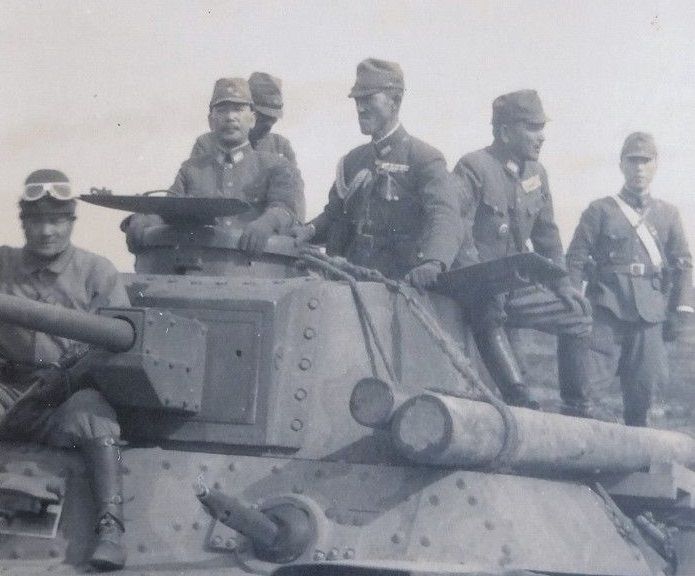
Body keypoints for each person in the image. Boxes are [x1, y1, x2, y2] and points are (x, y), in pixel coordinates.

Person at [0, 170, 130, 570]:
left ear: (71, 221)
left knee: (95, 415)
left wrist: (68, 379)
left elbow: (115, 346)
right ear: (23, 223)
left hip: (63, 397)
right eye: (37, 221)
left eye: (56, 220)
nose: (47, 231)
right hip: (8, 389)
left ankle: (110, 528)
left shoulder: (97, 272)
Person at [452, 90, 593, 412]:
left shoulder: (536, 174)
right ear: (505, 132)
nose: (541, 136)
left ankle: (577, 408)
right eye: (532, 128)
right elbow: (458, 228)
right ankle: (518, 399)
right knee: (489, 306)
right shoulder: (473, 167)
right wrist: (478, 277)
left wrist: (562, 284)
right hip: (478, 287)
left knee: (579, 314)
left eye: (542, 127)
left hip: (516, 286)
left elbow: (547, 235)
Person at [293, 58, 462, 290]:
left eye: (368, 99)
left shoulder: (424, 159)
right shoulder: (353, 161)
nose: (360, 108)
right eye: (357, 100)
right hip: (349, 285)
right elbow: (334, 215)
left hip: (399, 288)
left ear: (395, 101)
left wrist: (434, 262)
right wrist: (307, 230)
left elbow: (444, 215)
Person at [566, 132, 694, 426]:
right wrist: (572, 299)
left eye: (645, 161)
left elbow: (683, 263)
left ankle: (639, 454)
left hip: (650, 315)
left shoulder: (668, 214)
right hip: (605, 308)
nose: (639, 168)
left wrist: (682, 310)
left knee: (644, 396)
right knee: (585, 393)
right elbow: (575, 258)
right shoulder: (600, 210)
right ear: (621, 165)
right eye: (633, 161)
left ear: (655, 165)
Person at [125, 77, 303, 255]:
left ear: (252, 119)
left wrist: (268, 222)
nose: (230, 117)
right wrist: (145, 219)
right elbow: (170, 208)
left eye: (238, 110)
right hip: (201, 263)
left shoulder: (275, 165)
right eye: (222, 110)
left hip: (256, 264)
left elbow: (286, 209)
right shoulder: (191, 170)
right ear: (211, 121)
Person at [189, 72, 305, 221]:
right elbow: (196, 194)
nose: (268, 125)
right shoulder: (207, 144)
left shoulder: (281, 147)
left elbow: (294, 200)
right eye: (263, 117)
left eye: (273, 118)